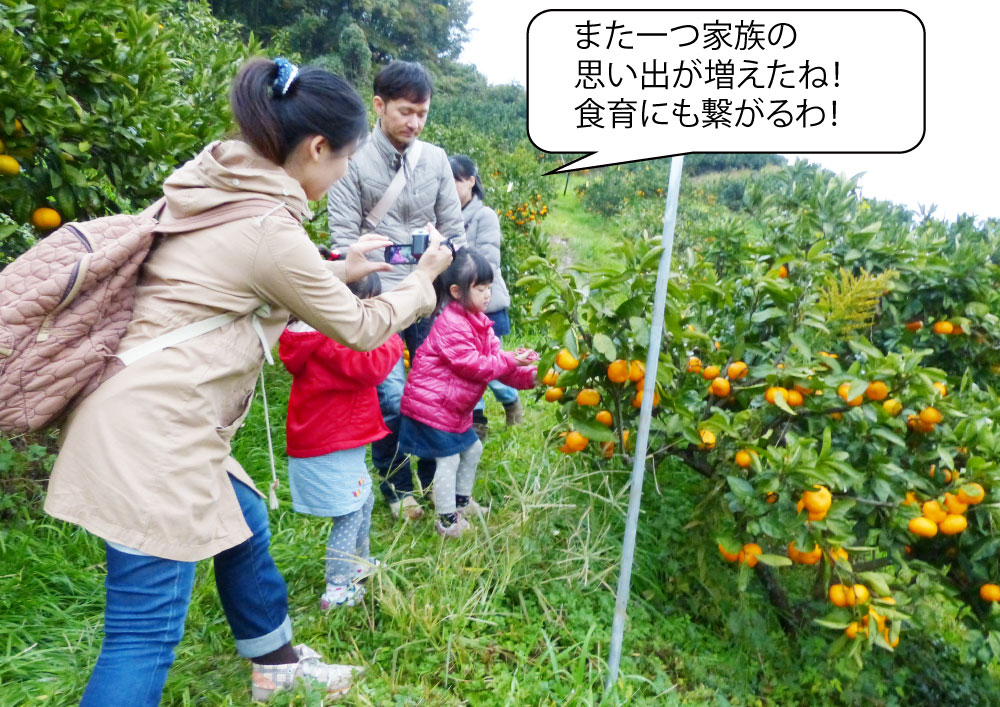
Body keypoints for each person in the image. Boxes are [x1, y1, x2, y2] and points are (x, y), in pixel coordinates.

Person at [42, 57, 452, 705]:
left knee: (245, 521)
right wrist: (420, 284)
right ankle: (271, 666)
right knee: (142, 635)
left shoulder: (219, 184)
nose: (343, 171)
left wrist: (338, 268)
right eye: (342, 158)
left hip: (139, 410)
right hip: (157, 439)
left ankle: (277, 666)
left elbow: (238, 278)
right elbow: (363, 329)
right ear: (316, 148)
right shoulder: (267, 225)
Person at [328, 60, 465, 522]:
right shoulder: (351, 162)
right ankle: (396, 484)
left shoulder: (437, 160)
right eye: (406, 111)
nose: (415, 122)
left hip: (428, 294)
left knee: (434, 391)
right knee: (389, 396)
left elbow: (456, 229)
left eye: (422, 113)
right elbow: (343, 239)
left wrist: (445, 258)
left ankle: (429, 479)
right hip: (378, 298)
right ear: (379, 105)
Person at [278, 272, 400, 611]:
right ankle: (337, 587)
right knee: (348, 514)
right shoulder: (330, 340)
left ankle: (357, 564)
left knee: (363, 501)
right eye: (369, 306)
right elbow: (372, 367)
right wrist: (391, 331)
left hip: (340, 439)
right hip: (328, 444)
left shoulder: (321, 333)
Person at [398, 249, 538, 537]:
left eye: (489, 287)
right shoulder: (451, 323)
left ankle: (461, 502)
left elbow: (497, 365)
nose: (488, 295)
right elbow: (472, 365)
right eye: (480, 288)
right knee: (448, 459)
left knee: (472, 448)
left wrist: (532, 376)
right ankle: (447, 520)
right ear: (456, 291)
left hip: (452, 408)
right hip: (432, 407)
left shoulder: (481, 324)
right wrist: (512, 359)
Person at [449, 154, 523, 440]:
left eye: (456, 179)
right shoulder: (446, 214)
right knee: (469, 367)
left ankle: (510, 400)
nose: (451, 186)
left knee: (490, 366)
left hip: (484, 303)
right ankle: (476, 421)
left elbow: (488, 261)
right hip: (457, 304)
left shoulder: (484, 215)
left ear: (470, 180)